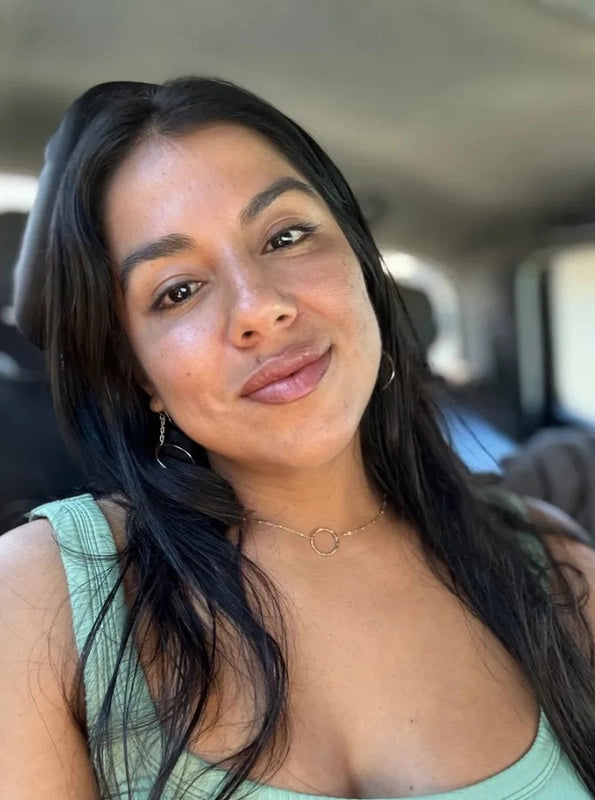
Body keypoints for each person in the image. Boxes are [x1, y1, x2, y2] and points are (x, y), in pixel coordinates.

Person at [1, 78, 594, 800]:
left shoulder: (558, 570)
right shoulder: (36, 600)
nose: (260, 308)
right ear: (139, 373)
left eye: (285, 237)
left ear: (361, 263)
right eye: (178, 290)